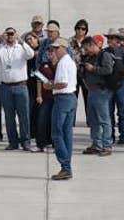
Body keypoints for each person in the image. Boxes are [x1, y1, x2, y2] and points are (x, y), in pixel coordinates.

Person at [44, 37, 77, 179]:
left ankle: (65, 166)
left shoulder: (63, 63)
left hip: (63, 99)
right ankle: (67, 165)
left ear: (64, 48)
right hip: (70, 98)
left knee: (57, 133)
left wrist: (50, 86)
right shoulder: (69, 61)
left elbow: (63, 84)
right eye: (53, 48)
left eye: (57, 48)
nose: (54, 51)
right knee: (66, 133)